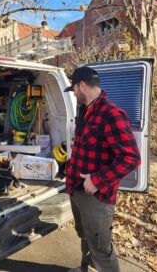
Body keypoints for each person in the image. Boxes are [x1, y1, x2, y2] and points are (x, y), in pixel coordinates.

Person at [64, 66, 141, 272]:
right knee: (85, 236)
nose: (73, 94)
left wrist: (97, 180)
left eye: (73, 90)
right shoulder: (86, 111)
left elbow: (131, 158)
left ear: (82, 85)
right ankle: (85, 268)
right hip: (77, 189)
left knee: (101, 249)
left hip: (96, 196)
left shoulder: (110, 114)